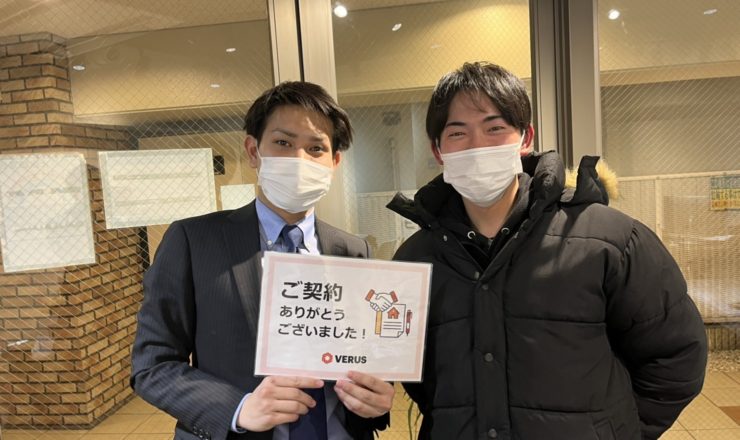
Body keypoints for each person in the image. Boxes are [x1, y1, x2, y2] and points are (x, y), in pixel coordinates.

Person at [387, 62, 707, 440]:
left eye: (494, 128)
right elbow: (425, 383)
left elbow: (676, 354)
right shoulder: (416, 260)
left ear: (525, 138)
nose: (478, 146)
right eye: (458, 133)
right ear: (438, 150)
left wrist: (615, 431)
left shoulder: (611, 240)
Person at [131, 81, 394, 440]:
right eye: (283, 143)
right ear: (253, 151)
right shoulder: (194, 241)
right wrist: (238, 408)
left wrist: (376, 398)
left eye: (316, 148)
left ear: (334, 162)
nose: (299, 160)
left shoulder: (352, 250)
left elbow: (366, 355)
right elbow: (152, 364)